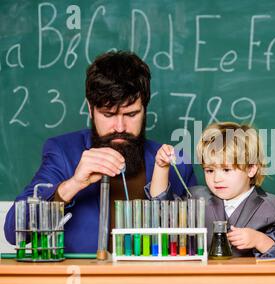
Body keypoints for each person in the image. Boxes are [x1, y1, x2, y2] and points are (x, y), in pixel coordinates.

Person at [4, 51, 197, 253]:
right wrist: (73, 185)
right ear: (90, 109)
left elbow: (201, 238)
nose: (120, 127)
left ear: (145, 108)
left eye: (131, 114)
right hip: (85, 282)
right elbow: (13, 231)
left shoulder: (177, 163)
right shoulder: (62, 153)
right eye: (108, 114)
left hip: (156, 283)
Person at [150, 122, 275, 257]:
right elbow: (160, 206)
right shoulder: (196, 198)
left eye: (226, 169)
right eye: (209, 170)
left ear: (251, 168)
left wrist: (259, 241)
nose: (216, 178)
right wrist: (161, 166)